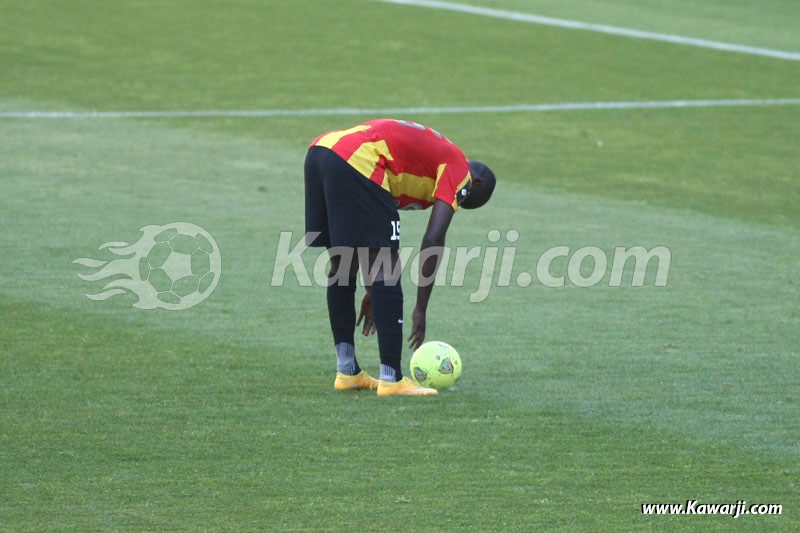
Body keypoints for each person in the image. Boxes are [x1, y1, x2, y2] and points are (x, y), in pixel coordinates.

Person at [304, 119, 496, 396]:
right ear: (473, 182)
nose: (457, 202)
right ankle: (391, 379)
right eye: (464, 200)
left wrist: (373, 291)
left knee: (343, 265)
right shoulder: (459, 170)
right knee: (386, 268)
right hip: (358, 159)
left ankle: (347, 373)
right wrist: (421, 308)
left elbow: (368, 232)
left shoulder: (428, 164)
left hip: (323, 150)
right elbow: (433, 239)